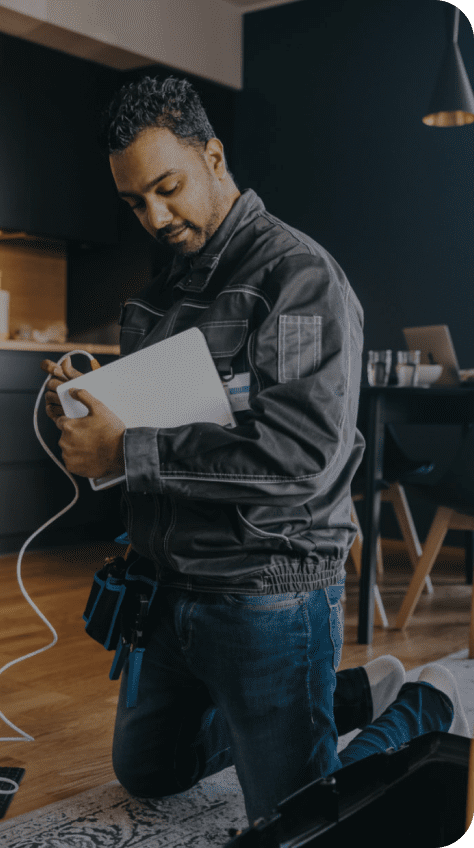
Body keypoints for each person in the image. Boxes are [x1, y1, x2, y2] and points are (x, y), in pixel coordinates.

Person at [41, 76, 469, 824]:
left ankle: (428, 704)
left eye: (167, 187)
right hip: (167, 587)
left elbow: (299, 456)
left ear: (214, 155)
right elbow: (164, 429)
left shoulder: (298, 279)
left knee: (299, 824)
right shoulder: (157, 295)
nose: (155, 215)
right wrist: (97, 413)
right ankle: (346, 696)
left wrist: (127, 450)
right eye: (135, 202)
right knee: (149, 771)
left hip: (268, 588)